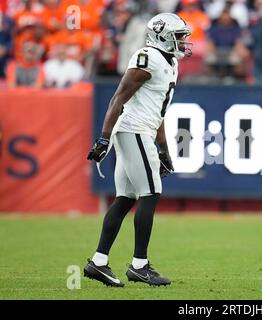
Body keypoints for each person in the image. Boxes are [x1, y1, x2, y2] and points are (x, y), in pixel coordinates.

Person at [84, 13, 192, 287]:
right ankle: (139, 266)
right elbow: (119, 96)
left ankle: (98, 263)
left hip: (142, 129)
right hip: (133, 130)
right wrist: (104, 138)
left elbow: (158, 111)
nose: (183, 41)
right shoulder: (149, 57)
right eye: (178, 36)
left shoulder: (170, 62)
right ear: (162, 35)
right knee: (151, 192)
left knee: (126, 198)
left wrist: (164, 148)